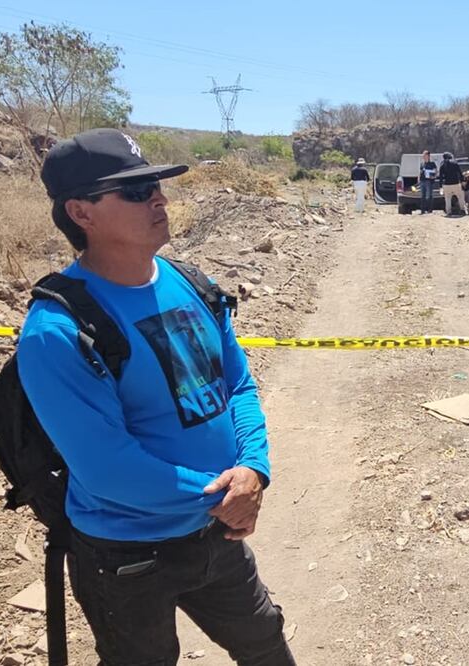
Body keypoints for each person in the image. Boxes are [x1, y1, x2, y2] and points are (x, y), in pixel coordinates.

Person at [18, 129, 297, 665]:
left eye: (155, 185)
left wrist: (253, 470)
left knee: (264, 644)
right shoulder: (57, 331)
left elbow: (235, 385)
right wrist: (226, 496)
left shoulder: (190, 281)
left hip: (216, 530)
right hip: (128, 556)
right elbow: (107, 468)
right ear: (81, 212)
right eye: (135, 190)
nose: (158, 198)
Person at [419, 150, 438, 214]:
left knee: (428, 196)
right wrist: (418, 179)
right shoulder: (422, 164)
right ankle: (422, 210)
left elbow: (436, 172)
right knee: (422, 196)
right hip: (422, 181)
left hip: (429, 182)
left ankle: (429, 209)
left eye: (425, 155)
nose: (423, 156)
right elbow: (420, 172)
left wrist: (433, 176)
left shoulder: (432, 164)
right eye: (423, 155)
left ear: (428, 156)